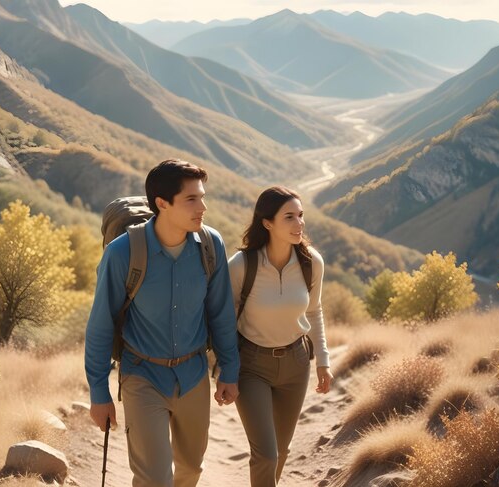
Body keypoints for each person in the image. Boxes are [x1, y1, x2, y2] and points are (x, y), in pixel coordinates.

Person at [85, 159, 240, 487]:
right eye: (192, 199)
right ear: (162, 203)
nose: (203, 206)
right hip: (142, 377)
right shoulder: (122, 253)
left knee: (190, 471)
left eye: (202, 196)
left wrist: (229, 368)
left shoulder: (211, 246)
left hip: (194, 375)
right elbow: (100, 325)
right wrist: (99, 392)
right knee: (154, 479)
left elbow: (221, 312)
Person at [228, 186, 333, 487]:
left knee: (281, 450)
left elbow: (314, 311)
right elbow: (224, 320)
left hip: (296, 362)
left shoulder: (311, 262)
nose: (299, 224)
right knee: (266, 455)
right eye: (289, 217)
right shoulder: (242, 266)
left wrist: (323, 361)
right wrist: (226, 366)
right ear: (267, 223)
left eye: (301, 216)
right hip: (251, 365)